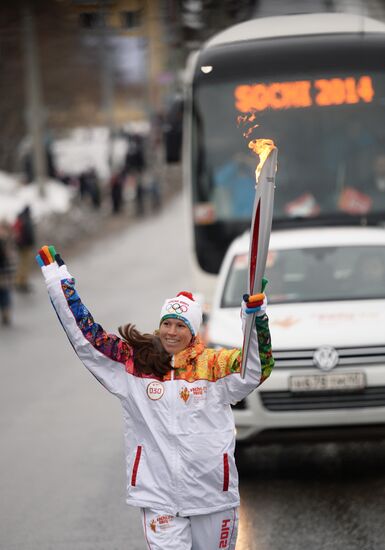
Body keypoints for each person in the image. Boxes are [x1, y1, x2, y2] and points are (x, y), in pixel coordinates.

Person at [35, 244, 275, 550]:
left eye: (180, 325)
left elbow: (257, 367)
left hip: (212, 496)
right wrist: (58, 282)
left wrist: (256, 320)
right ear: (159, 326)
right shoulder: (134, 365)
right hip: (159, 497)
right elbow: (88, 338)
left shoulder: (214, 366)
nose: (172, 332)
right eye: (167, 323)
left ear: (194, 332)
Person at [13, 205, 36, 292]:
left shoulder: (20, 219)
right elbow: (28, 234)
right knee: (25, 264)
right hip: (25, 246)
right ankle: (22, 283)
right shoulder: (26, 220)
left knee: (22, 263)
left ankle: (19, 281)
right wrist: (30, 243)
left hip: (21, 246)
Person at [0, 221, 16, 326]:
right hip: (4, 272)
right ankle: (6, 314)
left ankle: (6, 314)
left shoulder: (5, 241)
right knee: (5, 293)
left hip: (5, 272)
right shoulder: (4, 241)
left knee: (5, 293)